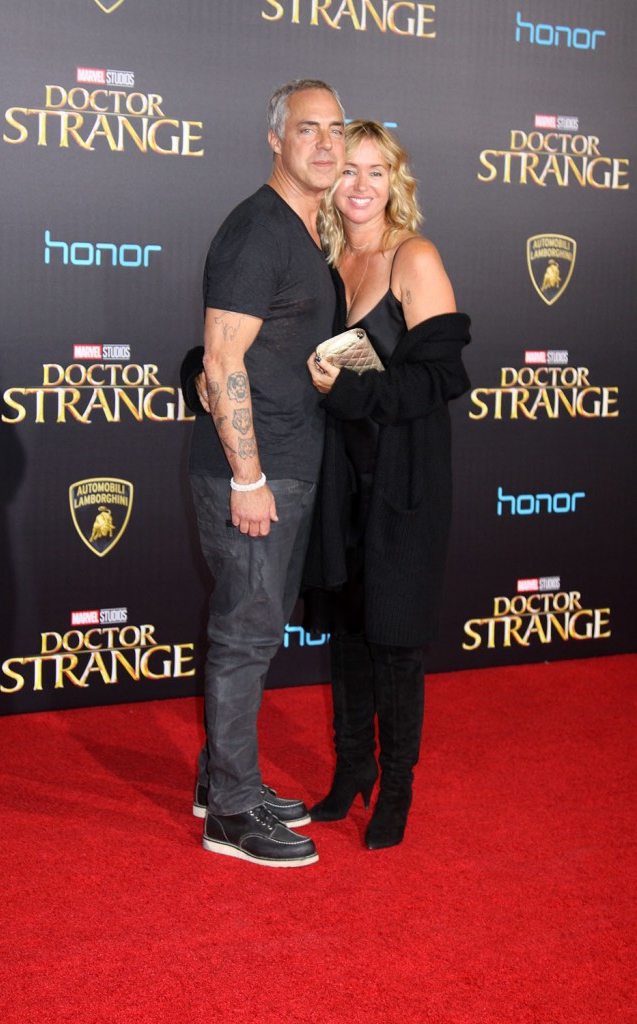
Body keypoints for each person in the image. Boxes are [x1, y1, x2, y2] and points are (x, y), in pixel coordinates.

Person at [179, 80, 346, 867]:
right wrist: (248, 477)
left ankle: (222, 779)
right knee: (245, 636)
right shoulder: (258, 230)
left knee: (255, 630)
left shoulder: (304, 228)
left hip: (286, 463)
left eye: (335, 129)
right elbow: (221, 360)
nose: (325, 143)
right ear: (275, 139)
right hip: (254, 473)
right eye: (307, 129)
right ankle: (231, 813)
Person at [303, 120, 471, 850]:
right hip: (338, 479)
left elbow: (440, 378)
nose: (361, 185)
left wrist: (344, 390)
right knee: (347, 631)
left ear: (394, 180)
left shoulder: (414, 256)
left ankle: (396, 787)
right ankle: (352, 769)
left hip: (402, 480)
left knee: (395, 642)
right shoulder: (324, 262)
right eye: (348, 169)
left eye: (376, 170)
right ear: (328, 179)